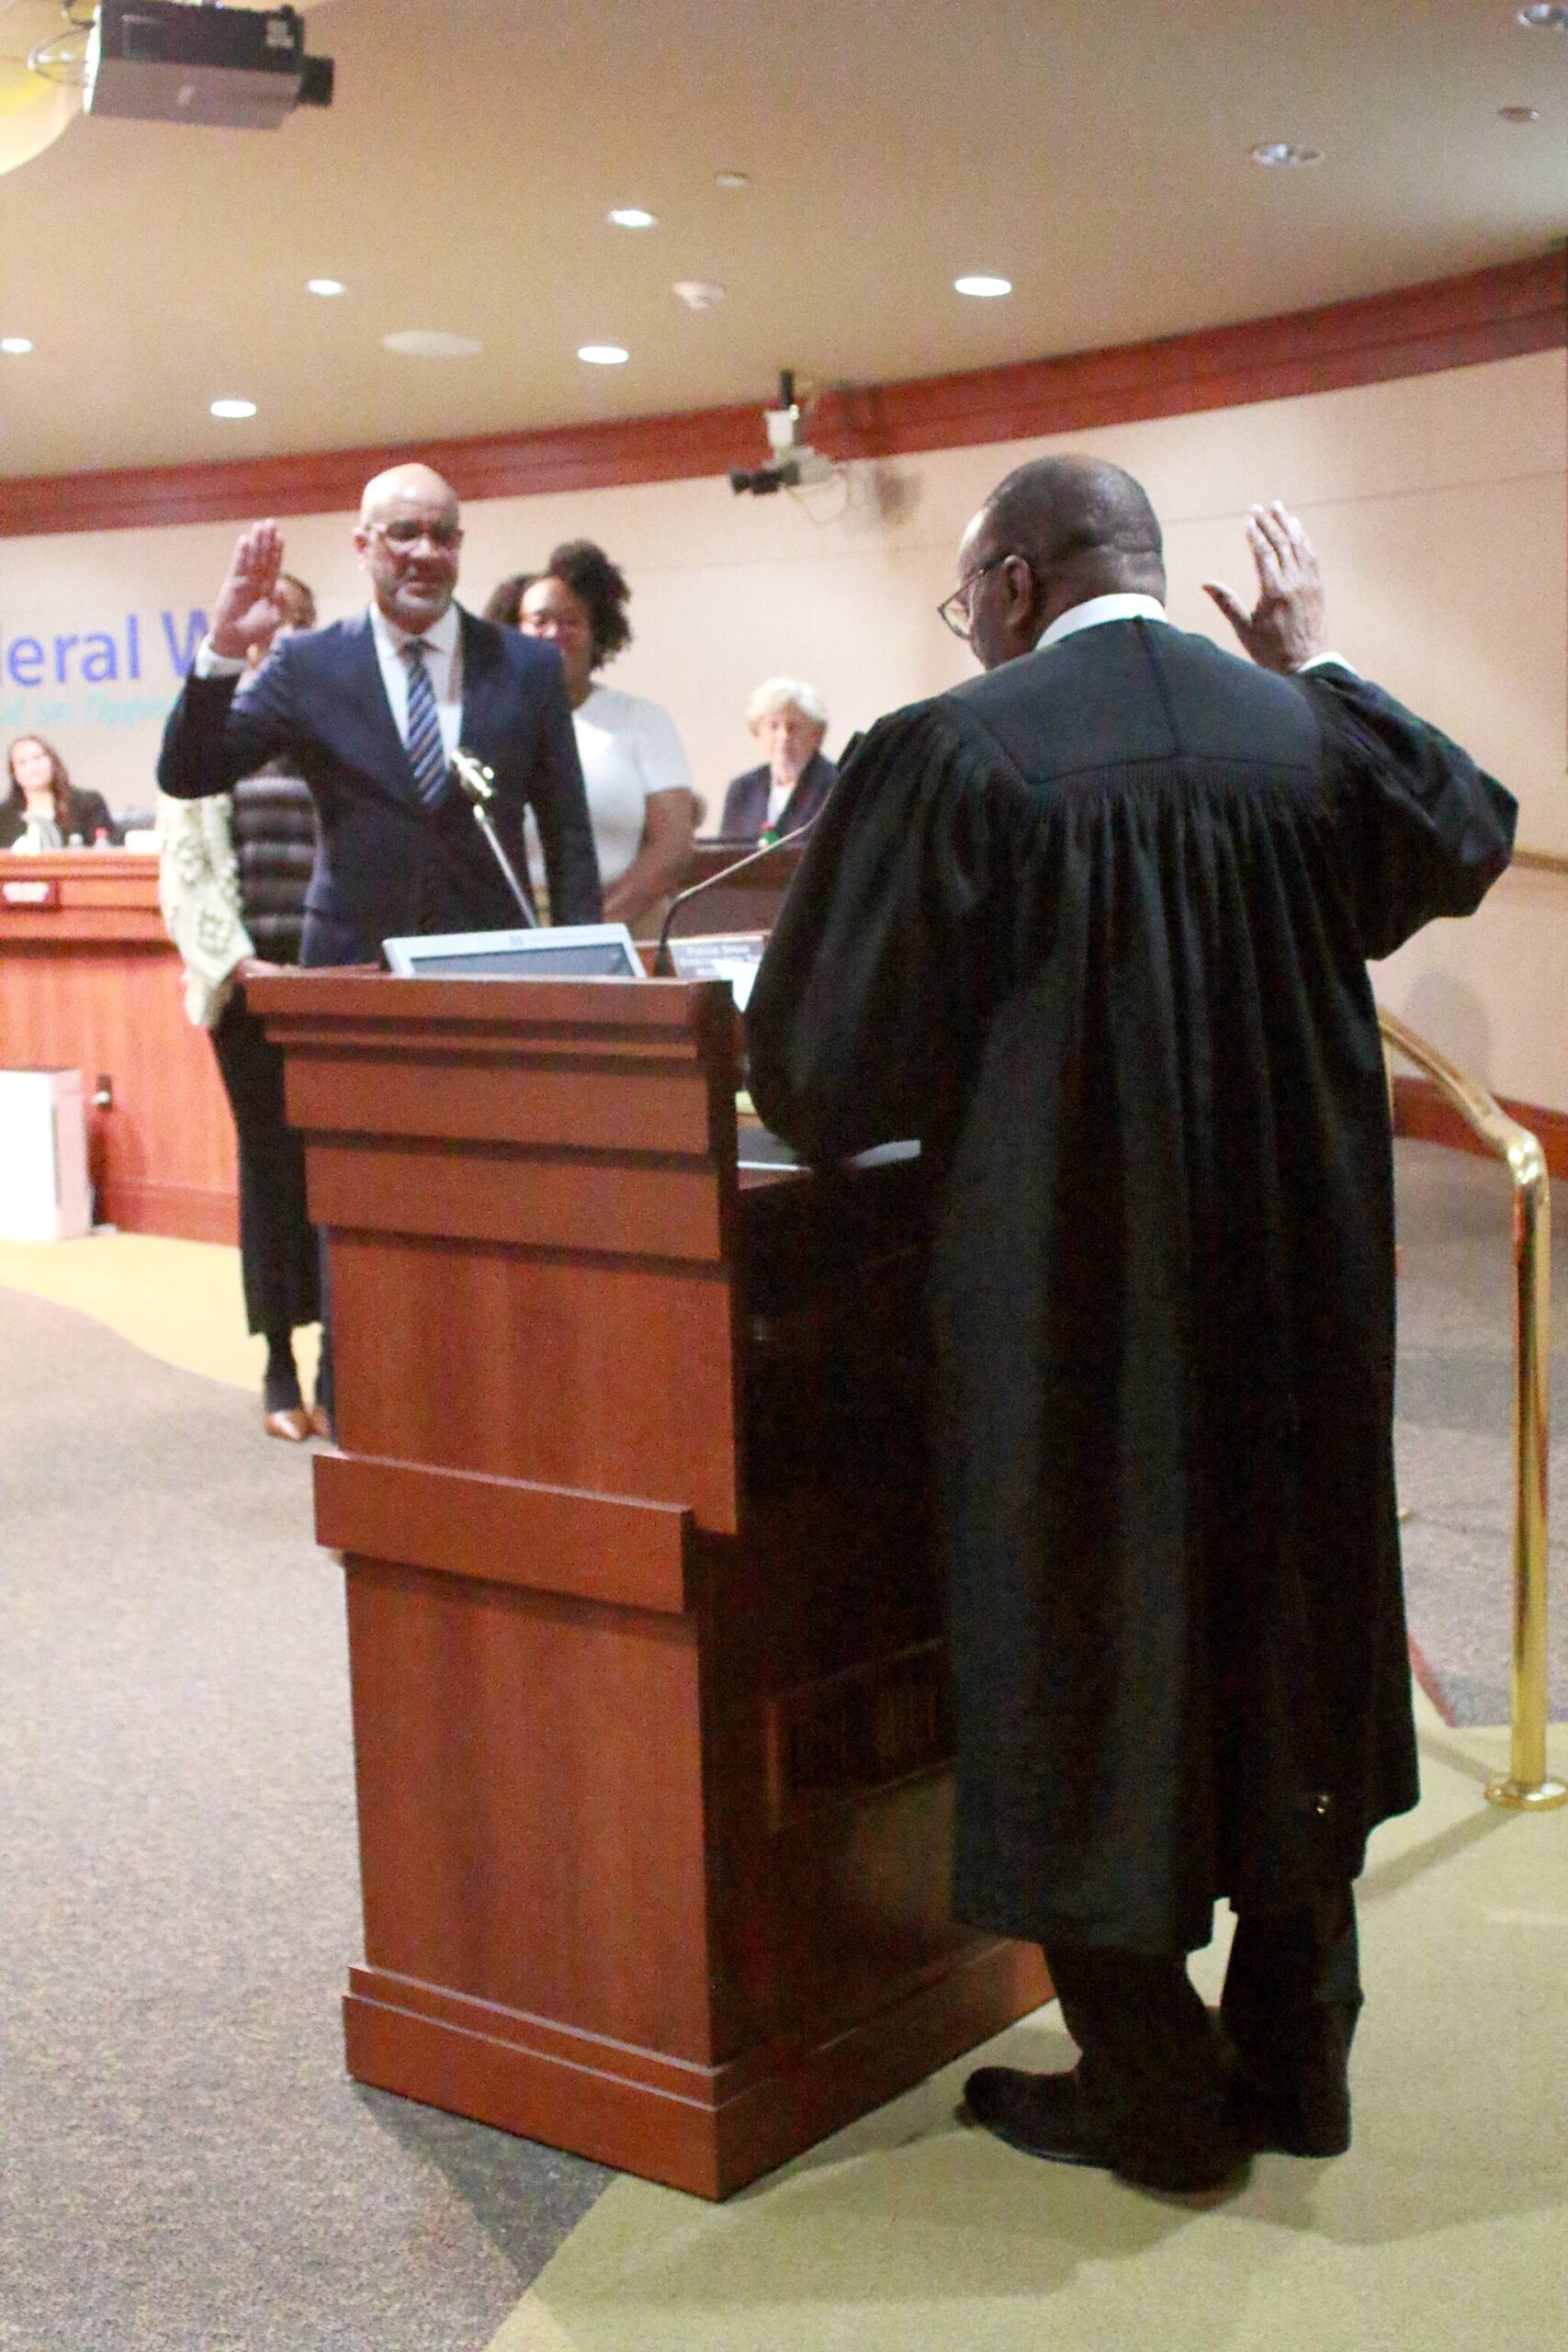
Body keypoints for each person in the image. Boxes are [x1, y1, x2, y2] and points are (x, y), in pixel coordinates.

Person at [746, 459, 1516, 2196]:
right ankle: (1299, 2052)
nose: (967, 625)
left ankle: (1154, 2082)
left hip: (1073, 1287)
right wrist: (1313, 661)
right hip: (1301, 1286)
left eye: (966, 595)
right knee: (1290, 1606)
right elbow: (1460, 828)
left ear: (1013, 583)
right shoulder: (1299, 736)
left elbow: (816, 1071)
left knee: (1086, 1625)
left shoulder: (955, 752)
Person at [158, 462, 602, 966]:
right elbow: (188, 774)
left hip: (489, 963)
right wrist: (224, 648)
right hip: (353, 964)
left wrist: (584, 969)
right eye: (404, 533)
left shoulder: (526, 666)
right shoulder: (309, 665)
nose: (426, 553)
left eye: (443, 536)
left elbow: (568, 835)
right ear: (362, 546)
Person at [158, 571, 323, 1442]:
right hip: (250, 998)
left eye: (295, 619)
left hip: (336, 993)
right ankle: (280, 1366)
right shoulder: (212, 733)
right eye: (265, 620)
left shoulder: (333, 724)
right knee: (274, 1173)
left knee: (345, 1173)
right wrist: (243, 965)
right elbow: (186, 876)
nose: (279, 634)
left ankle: (339, 1362)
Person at [514, 542, 695, 928]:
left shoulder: (642, 720)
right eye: (540, 620)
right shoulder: (492, 722)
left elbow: (672, 847)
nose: (554, 633)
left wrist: (593, 928)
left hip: (624, 921)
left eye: (571, 621)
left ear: (597, 633)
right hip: (513, 926)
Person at [717, 679, 837, 840]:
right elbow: (728, 850)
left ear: (817, 734)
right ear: (757, 734)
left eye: (793, 727)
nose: (783, 736)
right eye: (773, 726)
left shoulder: (834, 785)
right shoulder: (743, 790)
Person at [2, 737, 118, 849]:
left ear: (52, 762)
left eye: (37, 758)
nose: (32, 768)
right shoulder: (3, 816)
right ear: (14, 772)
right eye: (22, 762)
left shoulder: (88, 804)